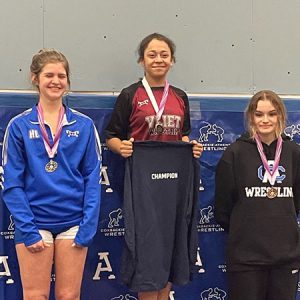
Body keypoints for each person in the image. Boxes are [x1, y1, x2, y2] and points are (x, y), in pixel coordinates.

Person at [105, 33, 203, 300]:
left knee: (171, 245)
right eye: (152, 55)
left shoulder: (180, 96)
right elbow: (111, 135)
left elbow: (183, 136)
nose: (158, 59)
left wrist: (190, 147)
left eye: (164, 55)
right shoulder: (130, 95)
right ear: (141, 60)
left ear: (172, 60)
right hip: (144, 187)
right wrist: (120, 147)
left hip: (174, 186)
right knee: (148, 251)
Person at [2, 49, 101, 300]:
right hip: (34, 222)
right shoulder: (19, 126)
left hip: (73, 222)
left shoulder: (84, 125)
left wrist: (87, 227)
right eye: (49, 75)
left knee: (69, 296)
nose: (56, 81)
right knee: (36, 296)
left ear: (67, 81)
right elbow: (11, 184)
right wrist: (28, 228)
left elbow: (92, 180)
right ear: (35, 78)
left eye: (61, 75)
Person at [214, 90, 300, 300]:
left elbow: (296, 202)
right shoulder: (234, 153)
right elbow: (223, 208)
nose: (265, 120)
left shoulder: (293, 152)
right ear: (251, 116)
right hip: (246, 259)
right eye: (259, 114)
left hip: (285, 257)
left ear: (280, 115)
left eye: (272, 114)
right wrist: (246, 227)